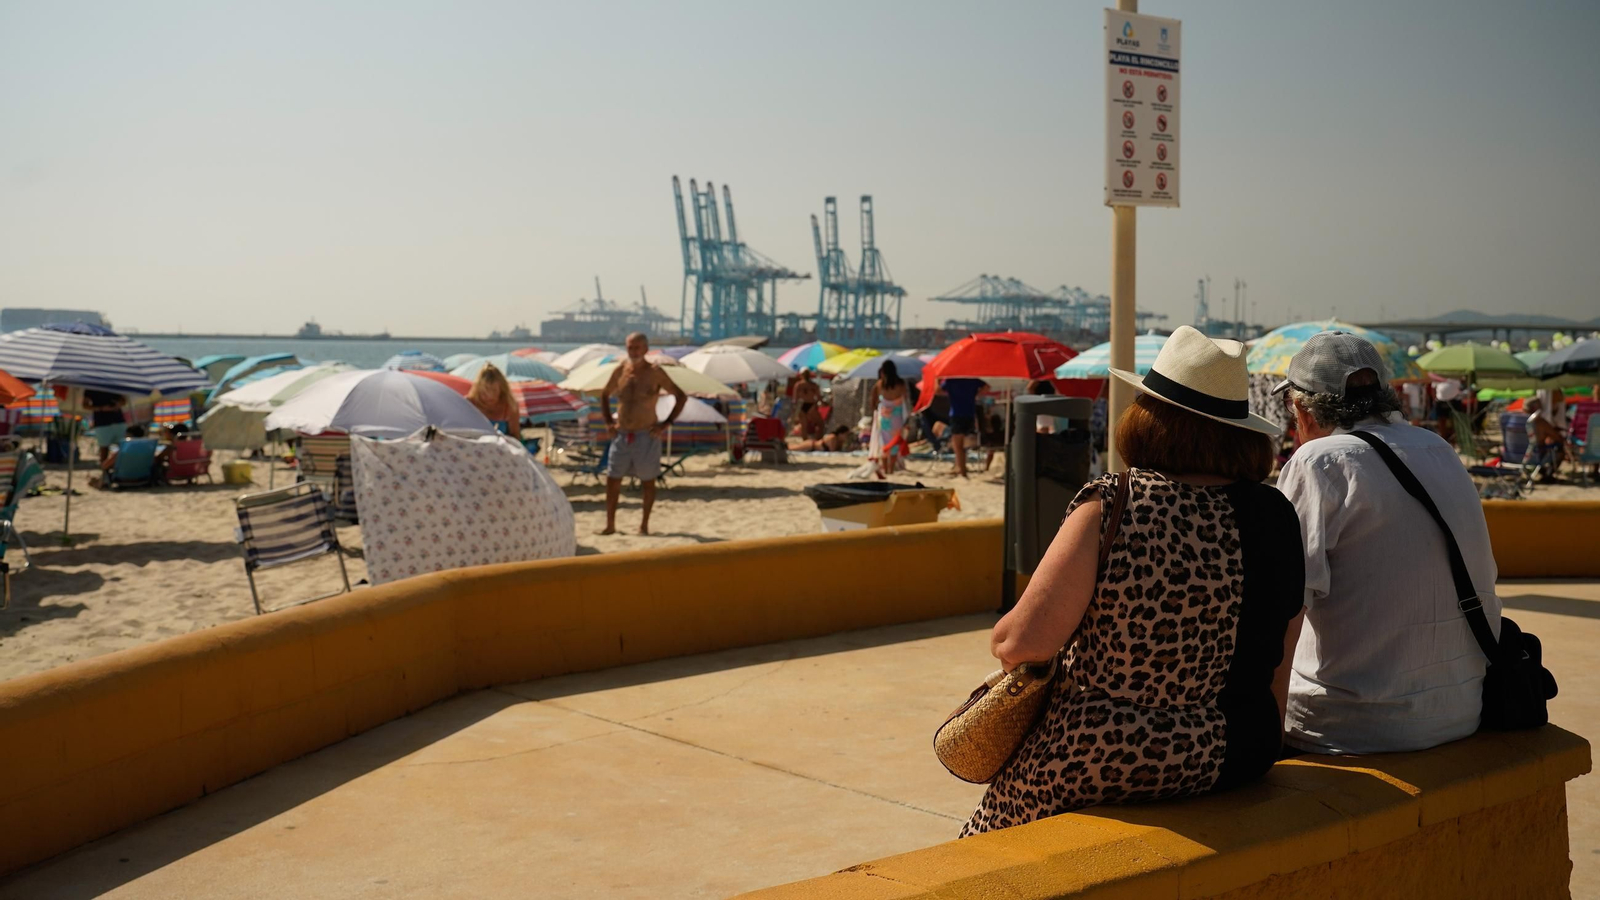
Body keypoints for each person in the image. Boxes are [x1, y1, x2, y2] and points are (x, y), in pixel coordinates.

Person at [962, 326, 1301, 835]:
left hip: (1106, 755)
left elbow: (1020, 644)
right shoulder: (1276, 514)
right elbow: (1282, 657)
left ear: (1147, 418)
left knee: (986, 841)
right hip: (1241, 750)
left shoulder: (1115, 501)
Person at [1274, 331, 1502, 755]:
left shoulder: (1317, 462)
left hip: (1351, 724)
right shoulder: (1439, 449)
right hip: (1460, 711)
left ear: (1302, 409)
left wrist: (1266, 730)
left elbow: (1283, 609)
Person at [599, 333, 686, 536]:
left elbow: (681, 396)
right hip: (621, 433)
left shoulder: (655, 372)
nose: (633, 351)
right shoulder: (620, 370)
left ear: (646, 349)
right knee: (612, 479)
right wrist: (608, 422)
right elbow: (604, 394)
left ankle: (644, 525)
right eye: (630, 347)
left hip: (646, 434)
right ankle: (610, 525)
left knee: (648, 481)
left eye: (637, 347)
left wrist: (666, 424)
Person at [867, 360, 910, 479]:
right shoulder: (901, 384)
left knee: (884, 443)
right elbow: (906, 400)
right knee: (895, 442)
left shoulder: (880, 384)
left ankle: (885, 469)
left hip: (884, 417)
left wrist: (877, 409)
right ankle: (891, 469)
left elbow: (873, 401)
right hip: (897, 417)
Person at [465, 363, 521, 441]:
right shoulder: (468, 404)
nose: (490, 396)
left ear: (501, 389)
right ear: (478, 389)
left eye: (494, 391)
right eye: (485, 392)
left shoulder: (510, 405)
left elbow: (515, 436)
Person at [942, 378, 983, 478]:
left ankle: (962, 471)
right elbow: (987, 387)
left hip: (957, 414)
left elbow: (938, 391)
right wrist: (975, 395)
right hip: (970, 414)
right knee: (963, 444)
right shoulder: (972, 379)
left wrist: (936, 380)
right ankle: (958, 467)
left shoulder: (951, 380)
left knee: (958, 446)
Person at [1524, 396, 1565, 482]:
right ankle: (1547, 475)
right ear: (1537, 409)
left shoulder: (1515, 420)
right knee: (1560, 448)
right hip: (1533, 455)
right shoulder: (1540, 422)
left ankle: (1542, 472)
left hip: (1513, 455)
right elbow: (1557, 438)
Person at [83, 389, 127, 465]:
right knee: (104, 449)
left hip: (118, 420)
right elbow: (85, 405)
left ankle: (121, 467)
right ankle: (105, 469)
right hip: (102, 422)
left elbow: (123, 400)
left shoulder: (114, 385)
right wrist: (101, 408)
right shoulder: (91, 388)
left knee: (123, 447)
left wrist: (117, 405)